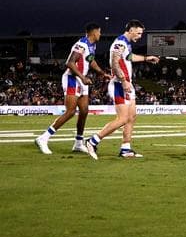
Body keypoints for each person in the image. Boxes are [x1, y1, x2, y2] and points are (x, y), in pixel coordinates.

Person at [83, 20, 158, 159]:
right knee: (122, 119)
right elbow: (114, 63)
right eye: (138, 33)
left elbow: (129, 57)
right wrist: (123, 81)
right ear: (131, 30)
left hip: (127, 84)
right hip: (119, 84)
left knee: (131, 117)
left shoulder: (126, 44)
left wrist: (147, 58)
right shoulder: (120, 43)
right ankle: (92, 141)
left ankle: (125, 149)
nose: (140, 36)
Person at [35, 23, 111, 155]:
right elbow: (70, 62)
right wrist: (82, 77)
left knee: (84, 111)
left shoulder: (92, 45)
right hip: (72, 78)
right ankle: (43, 138)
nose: (100, 34)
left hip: (81, 80)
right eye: (99, 32)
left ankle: (78, 143)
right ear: (93, 32)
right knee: (70, 112)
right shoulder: (81, 44)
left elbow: (91, 60)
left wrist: (102, 73)